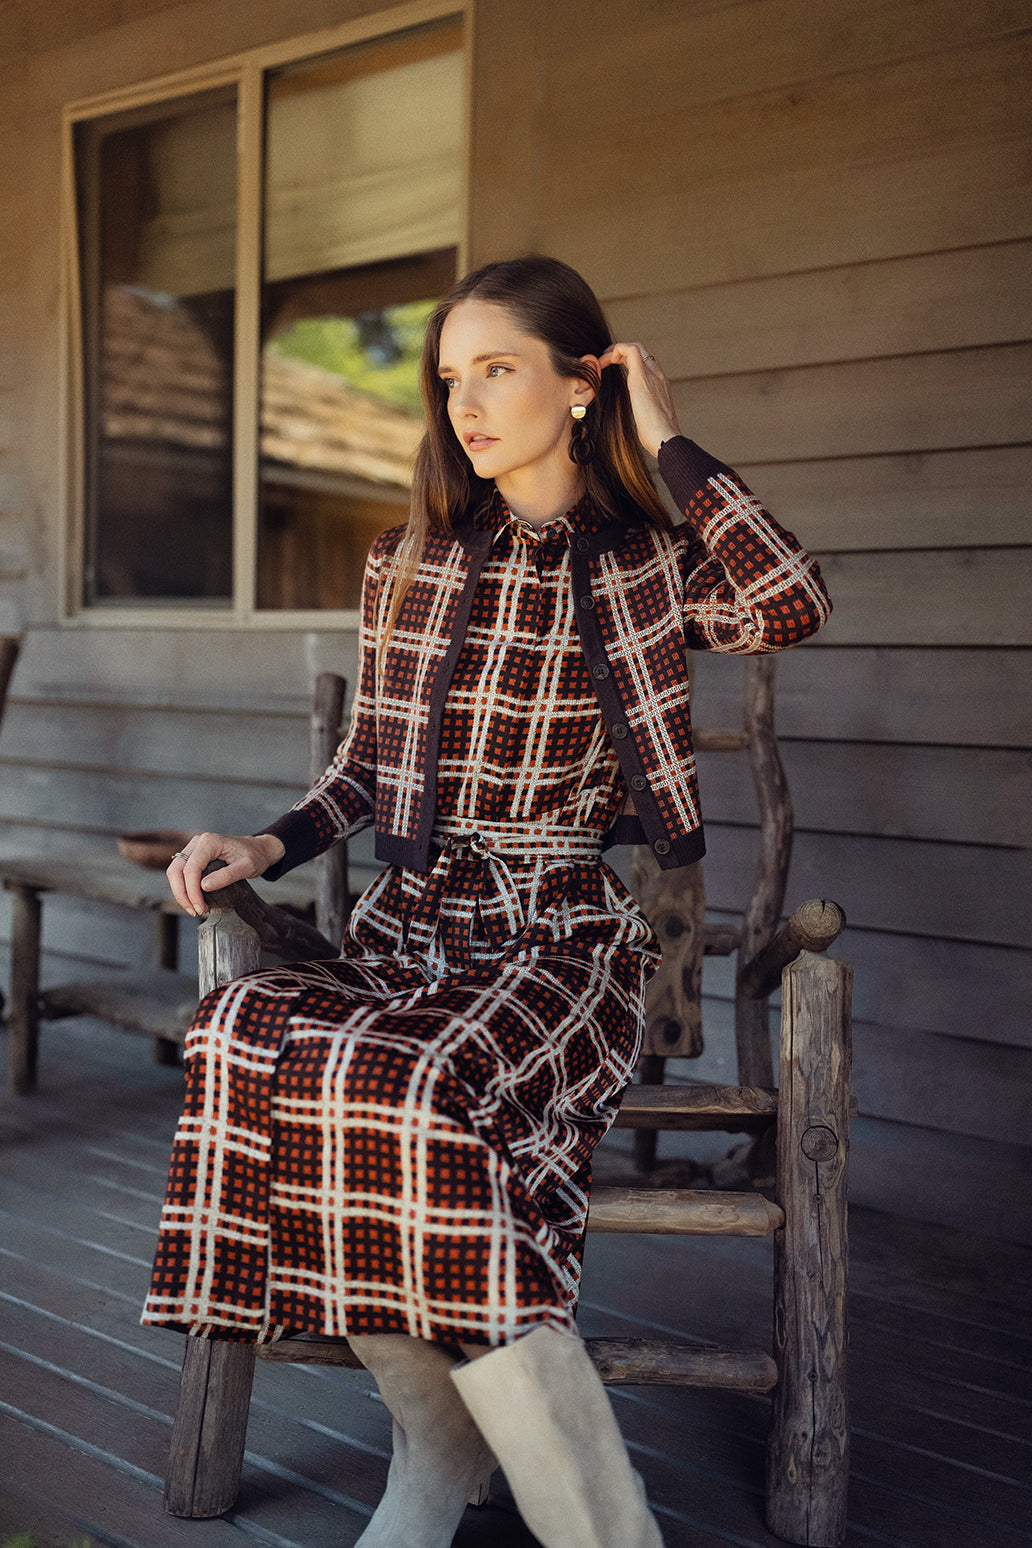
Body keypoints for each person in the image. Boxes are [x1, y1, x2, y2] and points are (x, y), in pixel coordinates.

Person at [143, 255, 831, 1548]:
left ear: (582, 385)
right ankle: (438, 1449)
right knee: (251, 1036)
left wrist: (670, 441)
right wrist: (267, 841)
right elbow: (364, 772)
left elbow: (792, 600)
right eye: (450, 377)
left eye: (498, 369)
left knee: (407, 1083)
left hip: (567, 940)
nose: (464, 401)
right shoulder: (406, 562)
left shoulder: (647, 566)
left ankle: (592, 1528)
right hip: (412, 934)